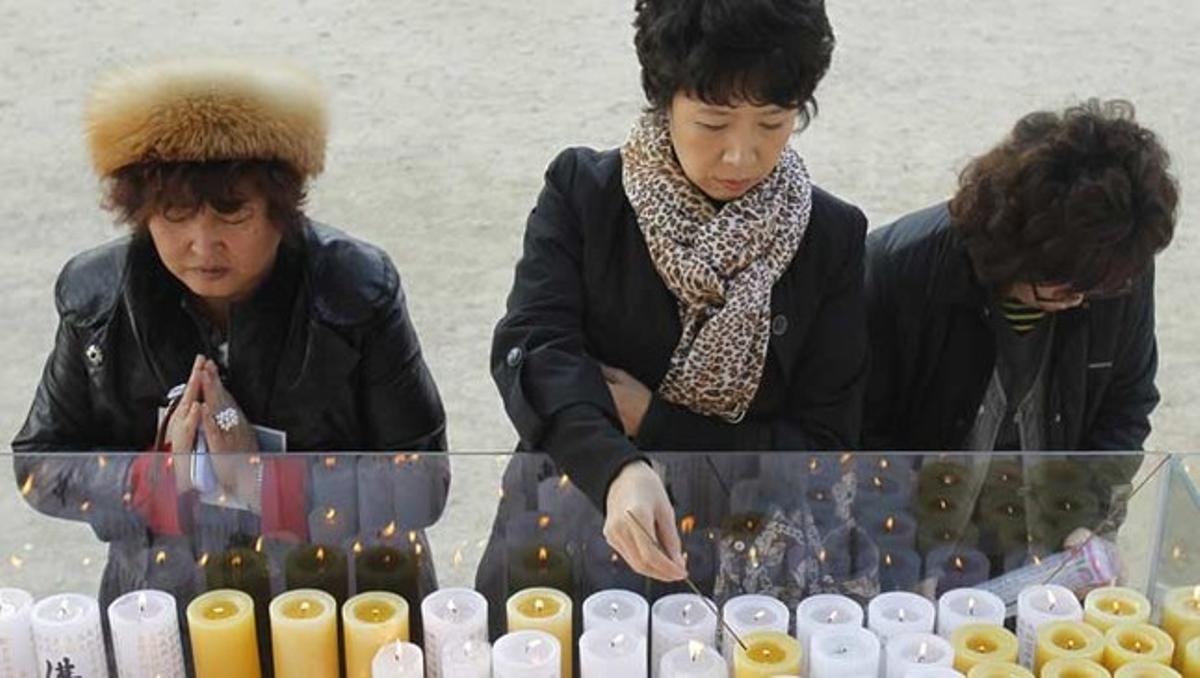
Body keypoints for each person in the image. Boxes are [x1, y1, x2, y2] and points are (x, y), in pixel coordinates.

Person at [11, 58, 448, 657]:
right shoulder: (96, 298)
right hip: (167, 603)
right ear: (138, 211)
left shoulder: (353, 290)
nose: (201, 244)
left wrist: (267, 485)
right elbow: (41, 464)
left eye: (232, 213)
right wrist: (149, 483)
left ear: (282, 204)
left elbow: (423, 482)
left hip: (338, 596)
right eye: (174, 215)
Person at [480, 0, 867, 612]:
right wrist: (618, 469)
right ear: (666, 99)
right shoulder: (587, 193)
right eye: (713, 124)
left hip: (742, 558)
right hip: (573, 517)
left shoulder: (830, 237)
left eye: (772, 123)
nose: (741, 156)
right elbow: (534, 350)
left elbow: (823, 441)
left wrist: (655, 422)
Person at [864, 99, 1177, 456]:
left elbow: (1127, 406)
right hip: (914, 502)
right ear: (1015, 246)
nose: (1079, 298)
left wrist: (1085, 502)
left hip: (1058, 505)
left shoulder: (1115, 263)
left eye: (1095, 286)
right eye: (1060, 284)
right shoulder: (899, 270)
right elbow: (862, 427)